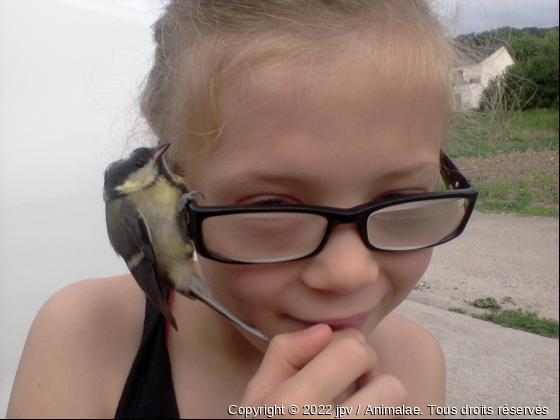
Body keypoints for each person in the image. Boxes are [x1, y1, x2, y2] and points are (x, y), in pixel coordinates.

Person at [8, 1, 478, 418]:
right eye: (272, 206)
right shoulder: (87, 338)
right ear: (179, 197)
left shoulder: (415, 363)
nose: (349, 273)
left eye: (397, 199)